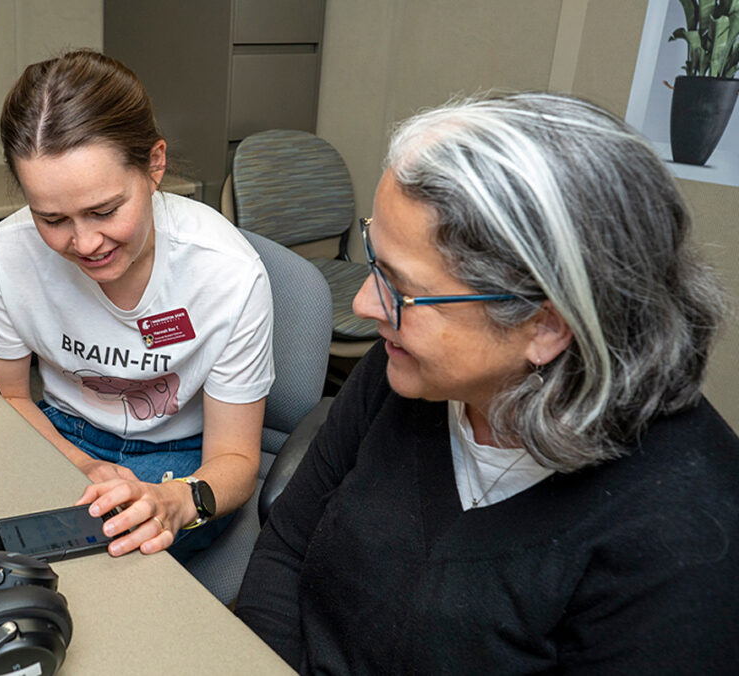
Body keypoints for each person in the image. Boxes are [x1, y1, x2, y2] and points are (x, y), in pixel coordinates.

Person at [234, 92, 739, 673]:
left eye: (401, 287)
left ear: (546, 324)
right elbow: (287, 551)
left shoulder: (689, 540)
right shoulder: (407, 372)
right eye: (376, 263)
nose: (364, 303)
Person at [0, 50, 274, 564]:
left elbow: (236, 460)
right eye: (52, 219)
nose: (85, 243)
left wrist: (176, 502)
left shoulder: (227, 273)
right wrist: (79, 463)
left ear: (155, 165)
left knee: (111, 562)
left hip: (182, 458)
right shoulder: (8, 253)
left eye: (104, 211)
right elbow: (9, 397)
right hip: (61, 434)